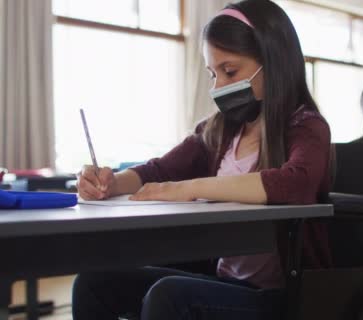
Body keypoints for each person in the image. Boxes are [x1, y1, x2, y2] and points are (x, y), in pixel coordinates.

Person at [72, 1, 332, 319]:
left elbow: (297, 183)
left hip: (282, 298)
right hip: (225, 282)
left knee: (169, 297)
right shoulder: (218, 131)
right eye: (213, 74)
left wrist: (190, 188)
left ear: (273, 61)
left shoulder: (307, 126)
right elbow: (159, 170)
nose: (218, 86)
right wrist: (110, 181)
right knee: (93, 283)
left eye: (230, 71)